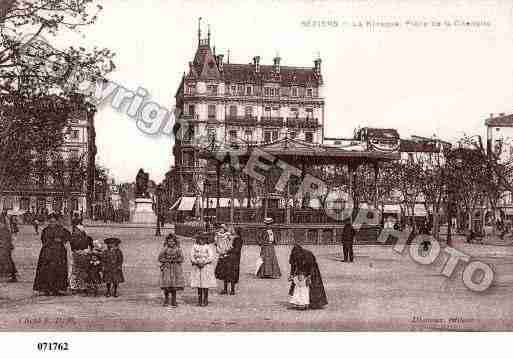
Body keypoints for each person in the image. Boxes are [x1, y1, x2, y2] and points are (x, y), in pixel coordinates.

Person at [33, 213, 71, 296]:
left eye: (54, 221)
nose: (52, 223)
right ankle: (46, 288)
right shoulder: (46, 230)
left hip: (59, 253)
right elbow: (43, 240)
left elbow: (68, 236)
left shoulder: (62, 229)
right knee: (46, 270)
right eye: (50, 221)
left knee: (58, 270)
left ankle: (57, 288)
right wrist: (52, 240)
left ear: (57, 221)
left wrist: (61, 240)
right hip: (47, 253)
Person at [288, 244, 328, 310]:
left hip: (312, 270)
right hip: (301, 271)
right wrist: (292, 275)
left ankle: (315, 303)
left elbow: (312, 267)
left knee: (312, 285)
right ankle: (300, 302)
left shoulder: (308, 255)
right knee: (299, 287)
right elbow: (293, 265)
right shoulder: (293, 255)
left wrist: (309, 276)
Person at [158, 233, 185, 307]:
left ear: (175, 242)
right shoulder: (165, 249)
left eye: (173, 241)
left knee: (174, 285)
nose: (171, 243)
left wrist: (176, 260)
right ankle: (166, 300)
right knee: (166, 284)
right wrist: (166, 260)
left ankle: (174, 300)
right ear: (167, 242)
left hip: (175, 269)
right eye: (169, 241)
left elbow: (182, 258)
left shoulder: (178, 249)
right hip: (167, 268)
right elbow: (160, 258)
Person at [190, 232, 216, 306]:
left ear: (205, 240)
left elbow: (211, 256)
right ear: (197, 239)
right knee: (199, 284)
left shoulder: (208, 247)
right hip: (197, 267)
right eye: (200, 239)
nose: (201, 241)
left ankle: (205, 300)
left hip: (206, 267)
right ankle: (199, 300)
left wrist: (205, 262)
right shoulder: (194, 246)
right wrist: (196, 262)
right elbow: (191, 256)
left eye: (203, 239)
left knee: (205, 284)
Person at [215, 226, 243, 295]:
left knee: (232, 274)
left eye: (232, 230)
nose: (231, 231)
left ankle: (232, 290)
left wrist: (227, 251)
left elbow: (236, 250)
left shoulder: (238, 239)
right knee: (225, 273)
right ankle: (225, 289)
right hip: (228, 257)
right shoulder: (231, 238)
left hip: (233, 259)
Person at [69, 225, 93, 294]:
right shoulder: (73, 239)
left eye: (77, 230)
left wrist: (86, 251)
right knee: (75, 271)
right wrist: (76, 251)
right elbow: (72, 248)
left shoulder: (87, 238)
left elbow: (91, 247)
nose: (75, 231)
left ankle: (82, 286)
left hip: (84, 256)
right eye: (75, 230)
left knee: (83, 271)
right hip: (76, 255)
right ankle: (74, 287)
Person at [0, 216, 17, 283]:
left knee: (7, 260)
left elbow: (6, 240)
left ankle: (12, 275)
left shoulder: (4, 230)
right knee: (7, 260)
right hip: (4, 247)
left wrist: (2, 245)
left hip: (5, 248)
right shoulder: (3, 229)